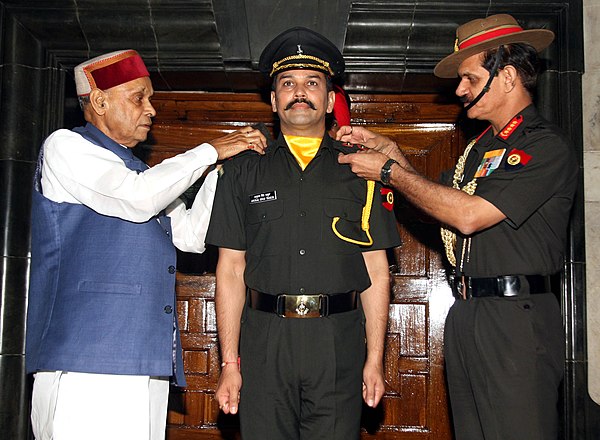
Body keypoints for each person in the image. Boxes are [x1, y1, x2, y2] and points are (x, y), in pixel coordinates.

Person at [337, 14, 578, 440]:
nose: (460, 89)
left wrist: (390, 171)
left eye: (469, 77)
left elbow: (470, 215)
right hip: (468, 312)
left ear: (505, 77)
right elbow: (440, 205)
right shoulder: (480, 148)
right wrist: (393, 153)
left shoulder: (542, 145)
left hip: (515, 319)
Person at [26, 49, 266, 440]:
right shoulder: (65, 147)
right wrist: (211, 150)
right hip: (89, 359)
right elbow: (137, 200)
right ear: (99, 101)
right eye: (139, 97)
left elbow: (189, 236)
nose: (151, 110)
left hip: (145, 357)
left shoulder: (140, 172)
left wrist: (216, 175)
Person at [205, 27, 401, 439]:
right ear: (273, 99)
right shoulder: (242, 170)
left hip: (337, 342)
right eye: (287, 83)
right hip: (264, 341)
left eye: (312, 83)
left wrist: (375, 359)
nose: (300, 92)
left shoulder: (361, 171)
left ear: (330, 100)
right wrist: (229, 363)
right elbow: (230, 270)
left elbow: (377, 272)